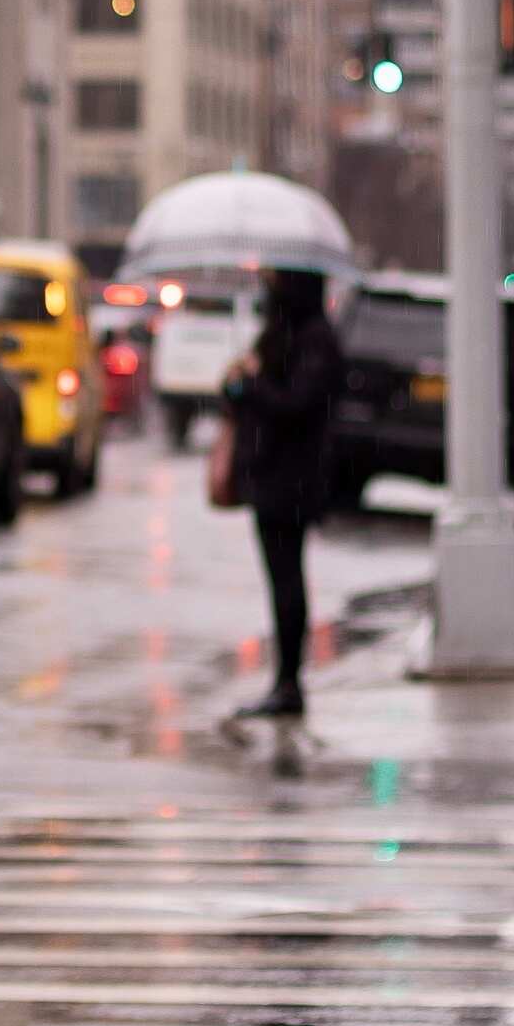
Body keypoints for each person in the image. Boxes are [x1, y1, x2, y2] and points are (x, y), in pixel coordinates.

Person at [223, 268, 342, 719]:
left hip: (292, 478)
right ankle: (284, 679)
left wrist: (253, 384)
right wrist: (238, 382)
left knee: (288, 579)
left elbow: (296, 404)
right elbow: (245, 397)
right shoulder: (280, 334)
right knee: (282, 579)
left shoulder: (313, 339)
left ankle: (289, 681)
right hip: (270, 474)